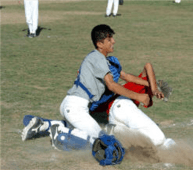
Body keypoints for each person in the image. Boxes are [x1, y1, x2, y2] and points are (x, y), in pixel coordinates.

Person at [22, 24, 152, 150]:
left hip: (73, 105)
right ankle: (60, 133)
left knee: (84, 128)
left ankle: (45, 124)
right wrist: (138, 96)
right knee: (101, 139)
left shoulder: (99, 59)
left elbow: (125, 76)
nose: (113, 41)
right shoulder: (98, 58)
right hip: (76, 107)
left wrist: (152, 85)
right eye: (109, 39)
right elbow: (112, 85)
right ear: (99, 44)